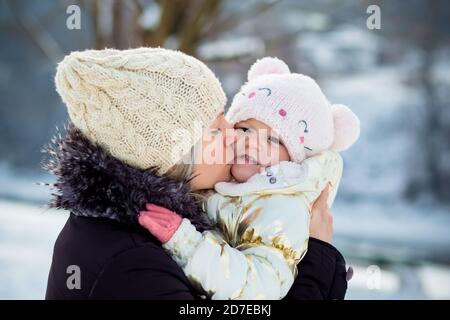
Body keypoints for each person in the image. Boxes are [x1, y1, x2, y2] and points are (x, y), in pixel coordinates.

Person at [44, 47, 349, 300]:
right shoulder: (135, 267)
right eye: (218, 129)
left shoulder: (131, 226)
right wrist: (319, 262)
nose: (236, 136)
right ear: (175, 155)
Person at [137, 57, 359, 299]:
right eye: (244, 129)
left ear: (295, 163)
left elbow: (258, 289)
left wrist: (186, 243)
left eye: (273, 140)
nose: (251, 142)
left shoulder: (280, 209)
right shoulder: (228, 186)